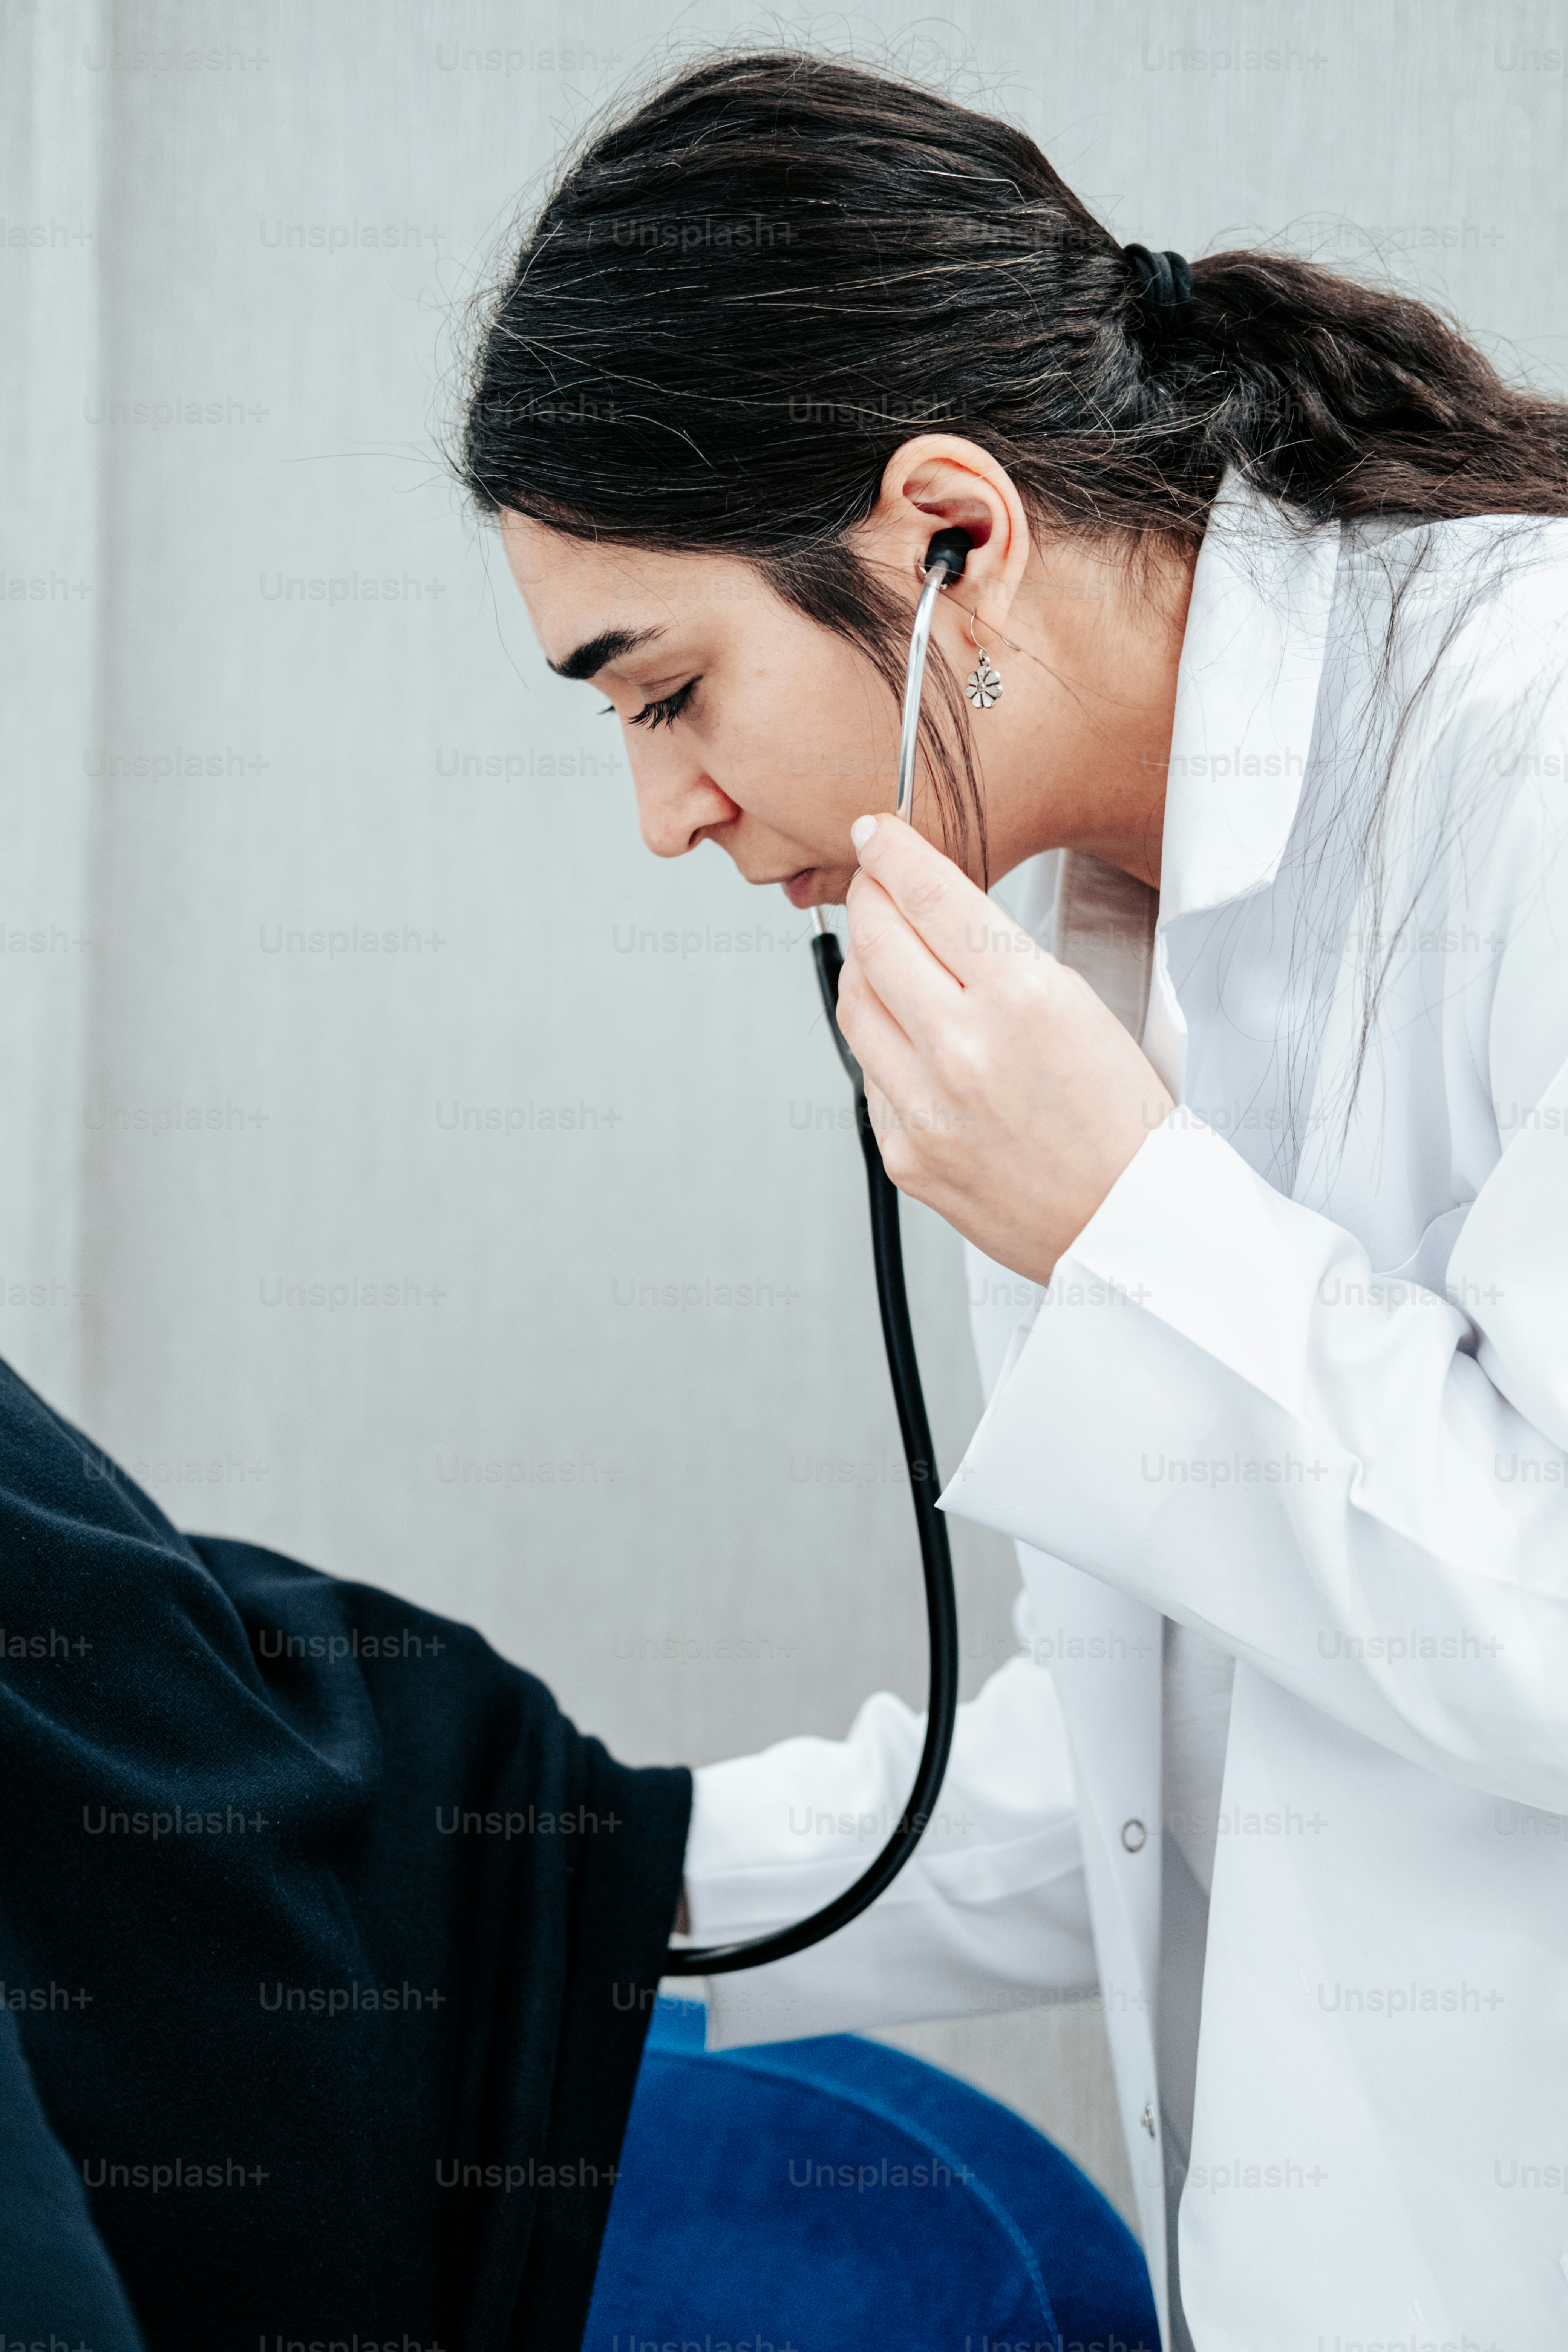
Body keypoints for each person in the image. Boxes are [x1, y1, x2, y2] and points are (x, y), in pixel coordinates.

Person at [461, 47, 1568, 2351]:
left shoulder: (1530, 746)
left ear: (949, 531)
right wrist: (535, 1885)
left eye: (666, 693)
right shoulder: (1070, 927)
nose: (666, 815)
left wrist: (1132, 1222)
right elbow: (1159, 1751)